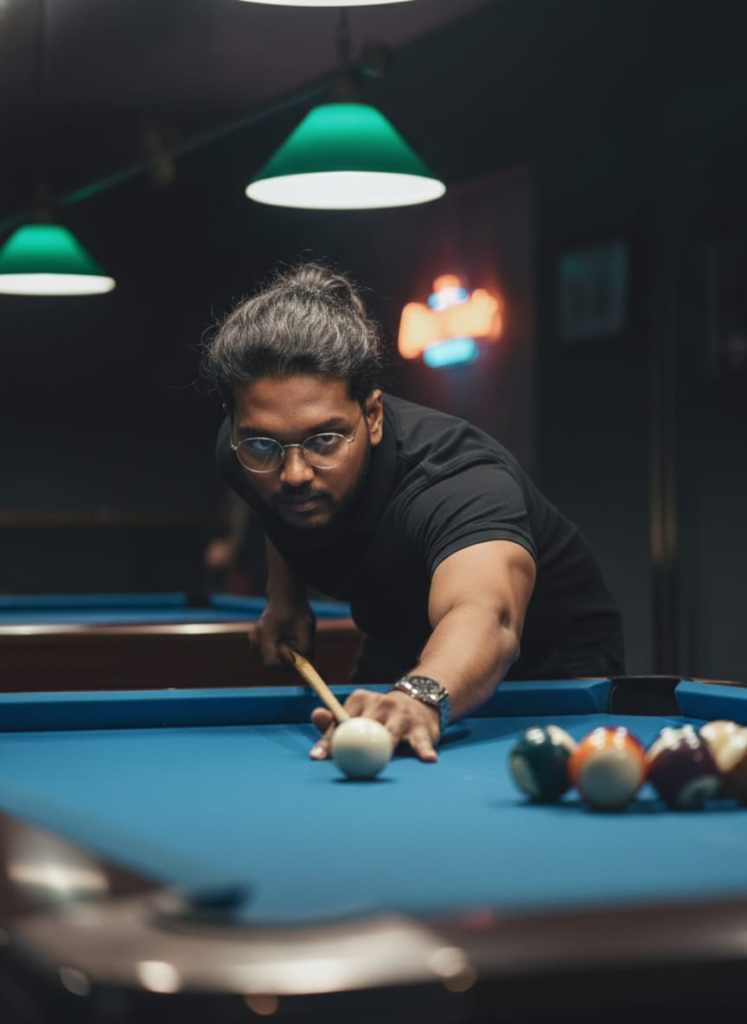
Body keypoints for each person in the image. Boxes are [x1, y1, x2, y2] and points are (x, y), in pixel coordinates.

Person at [201, 262, 625, 764]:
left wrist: (420, 696)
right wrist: (285, 595)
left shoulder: (455, 478)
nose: (292, 473)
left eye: (323, 440)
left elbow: (487, 614)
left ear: (373, 415)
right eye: (265, 444)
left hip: (548, 662)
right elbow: (273, 502)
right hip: (401, 633)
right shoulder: (245, 455)